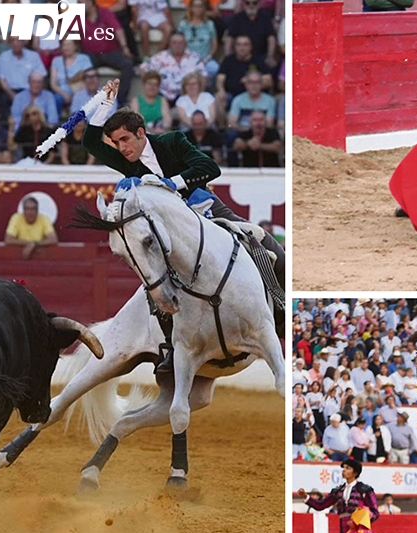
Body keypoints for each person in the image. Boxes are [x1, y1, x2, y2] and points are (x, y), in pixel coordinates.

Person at [83, 78, 285, 373]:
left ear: (141, 133)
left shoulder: (172, 142)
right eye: (116, 143)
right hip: (171, 232)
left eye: (125, 139)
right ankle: (170, 347)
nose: (121, 148)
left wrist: (172, 182)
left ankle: (278, 305)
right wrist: (104, 104)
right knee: (157, 280)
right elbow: (89, 143)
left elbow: (209, 168)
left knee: (260, 242)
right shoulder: (128, 162)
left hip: (204, 209)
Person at [298, 459, 379, 533]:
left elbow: (374, 512)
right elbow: (320, 505)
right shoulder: (338, 491)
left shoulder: (364, 490)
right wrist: (305, 496)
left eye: (347, 468)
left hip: (359, 529)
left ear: (355, 473)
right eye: (343, 468)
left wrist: (358, 523)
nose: (343, 470)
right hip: (343, 528)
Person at [82, 0, 134, 106]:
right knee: (80, 67)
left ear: (91, 3)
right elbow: (68, 32)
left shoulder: (105, 12)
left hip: (110, 52)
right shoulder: (79, 17)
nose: (80, 5)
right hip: (90, 54)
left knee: (127, 64)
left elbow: (118, 29)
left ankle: (119, 100)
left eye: (82, 2)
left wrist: (124, 47)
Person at [142, 32, 207, 104]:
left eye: (180, 43)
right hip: (163, 96)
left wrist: (199, 95)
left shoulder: (194, 57)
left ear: (185, 44)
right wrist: (153, 86)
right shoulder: (161, 56)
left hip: (187, 96)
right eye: (174, 43)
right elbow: (143, 68)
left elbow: (204, 75)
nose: (177, 46)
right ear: (169, 44)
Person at [0, 37, 46, 122]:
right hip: (9, 91)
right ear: (9, 43)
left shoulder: (33, 56)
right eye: (12, 40)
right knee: (2, 99)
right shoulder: (4, 56)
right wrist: (12, 94)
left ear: (24, 42)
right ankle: (4, 127)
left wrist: (32, 92)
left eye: (18, 40)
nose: (15, 43)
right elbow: (2, 79)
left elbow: (40, 75)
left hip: (29, 91)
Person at [49, 39, 93, 115]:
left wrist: (77, 96)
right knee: (55, 99)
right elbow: (53, 84)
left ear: (75, 46)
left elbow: (89, 78)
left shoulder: (84, 59)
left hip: (81, 91)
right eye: (64, 45)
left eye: (69, 44)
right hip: (62, 92)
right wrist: (64, 95)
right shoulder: (56, 61)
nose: (66, 47)